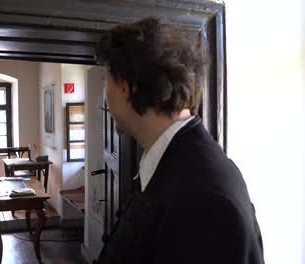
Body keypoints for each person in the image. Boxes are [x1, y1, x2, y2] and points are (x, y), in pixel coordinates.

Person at [94, 17, 264, 264]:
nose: (106, 99)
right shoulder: (172, 161)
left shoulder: (206, 199)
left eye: (105, 83)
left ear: (124, 87)